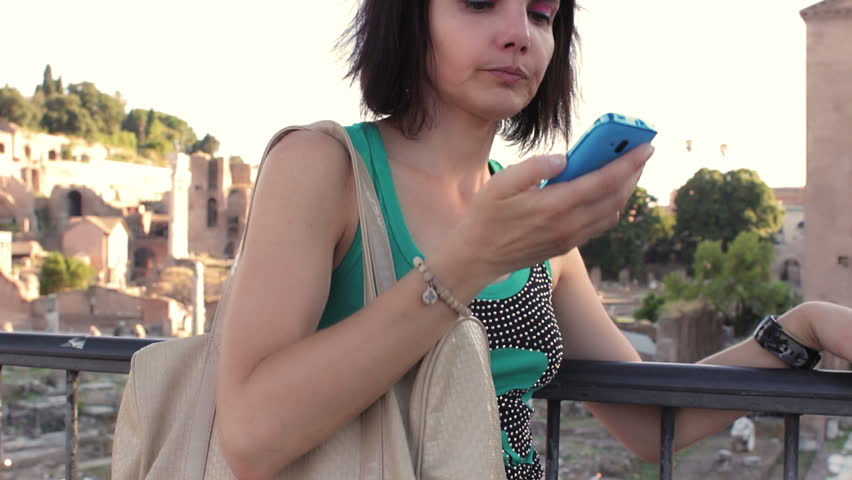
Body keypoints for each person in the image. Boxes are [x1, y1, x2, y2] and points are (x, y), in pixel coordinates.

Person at [215, 1, 852, 479]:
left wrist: (802, 330)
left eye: (543, 14)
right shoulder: (323, 167)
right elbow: (247, 435)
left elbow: (648, 419)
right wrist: (473, 260)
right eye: (478, 2)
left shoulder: (539, 228)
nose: (519, 32)